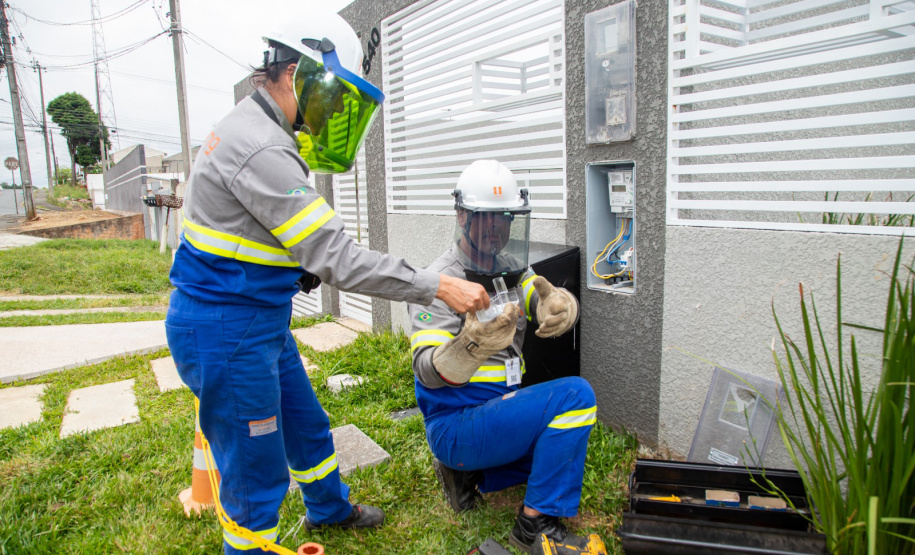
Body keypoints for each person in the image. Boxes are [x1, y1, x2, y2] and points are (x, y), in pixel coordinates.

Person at [164, 10, 488, 554]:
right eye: (333, 96)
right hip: (227, 329)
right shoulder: (264, 147)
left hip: (254, 318)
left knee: (306, 425)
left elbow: (253, 235)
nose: (332, 113)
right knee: (254, 474)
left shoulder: (255, 124)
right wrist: (437, 285)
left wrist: (295, 266)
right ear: (297, 75)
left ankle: (328, 509)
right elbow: (337, 258)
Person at [407, 160, 605, 554]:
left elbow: (540, 294)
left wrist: (562, 304)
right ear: (462, 216)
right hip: (456, 421)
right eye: (485, 217)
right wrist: (470, 347)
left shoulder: (509, 267)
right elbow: (427, 371)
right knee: (577, 399)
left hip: (495, 411)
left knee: (560, 451)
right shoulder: (440, 282)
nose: (495, 228)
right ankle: (534, 526)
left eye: (505, 217)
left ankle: (469, 475)